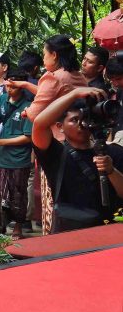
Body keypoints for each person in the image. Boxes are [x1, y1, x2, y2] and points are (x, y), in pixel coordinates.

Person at [32, 86, 123, 234]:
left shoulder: (113, 152)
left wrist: (111, 171)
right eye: (74, 120)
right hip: (70, 230)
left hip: (111, 229)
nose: (82, 124)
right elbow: (39, 124)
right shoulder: (56, 153)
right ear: (60, 127)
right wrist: (74, 94)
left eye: (85, 119)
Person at [0, 69, 33, 239]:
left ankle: (18, 226)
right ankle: (0, 224)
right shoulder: (2, 100)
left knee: (18, 193)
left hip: (19, 158)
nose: (8, 89)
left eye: (13, 86)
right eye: (7, 84)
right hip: (1, 157)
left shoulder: (29, 106)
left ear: (21, 86)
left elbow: (28, 137)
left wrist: (1, 142)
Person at [14, 35, 87, 142]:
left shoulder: (53, 77)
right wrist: (25, 84)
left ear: (54, 55)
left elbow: (35, 114)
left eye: (44, 54)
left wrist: (27, 111)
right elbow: (52, 94)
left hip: (59, 137)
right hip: (81, 133)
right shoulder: (78, 75)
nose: (43, 59)